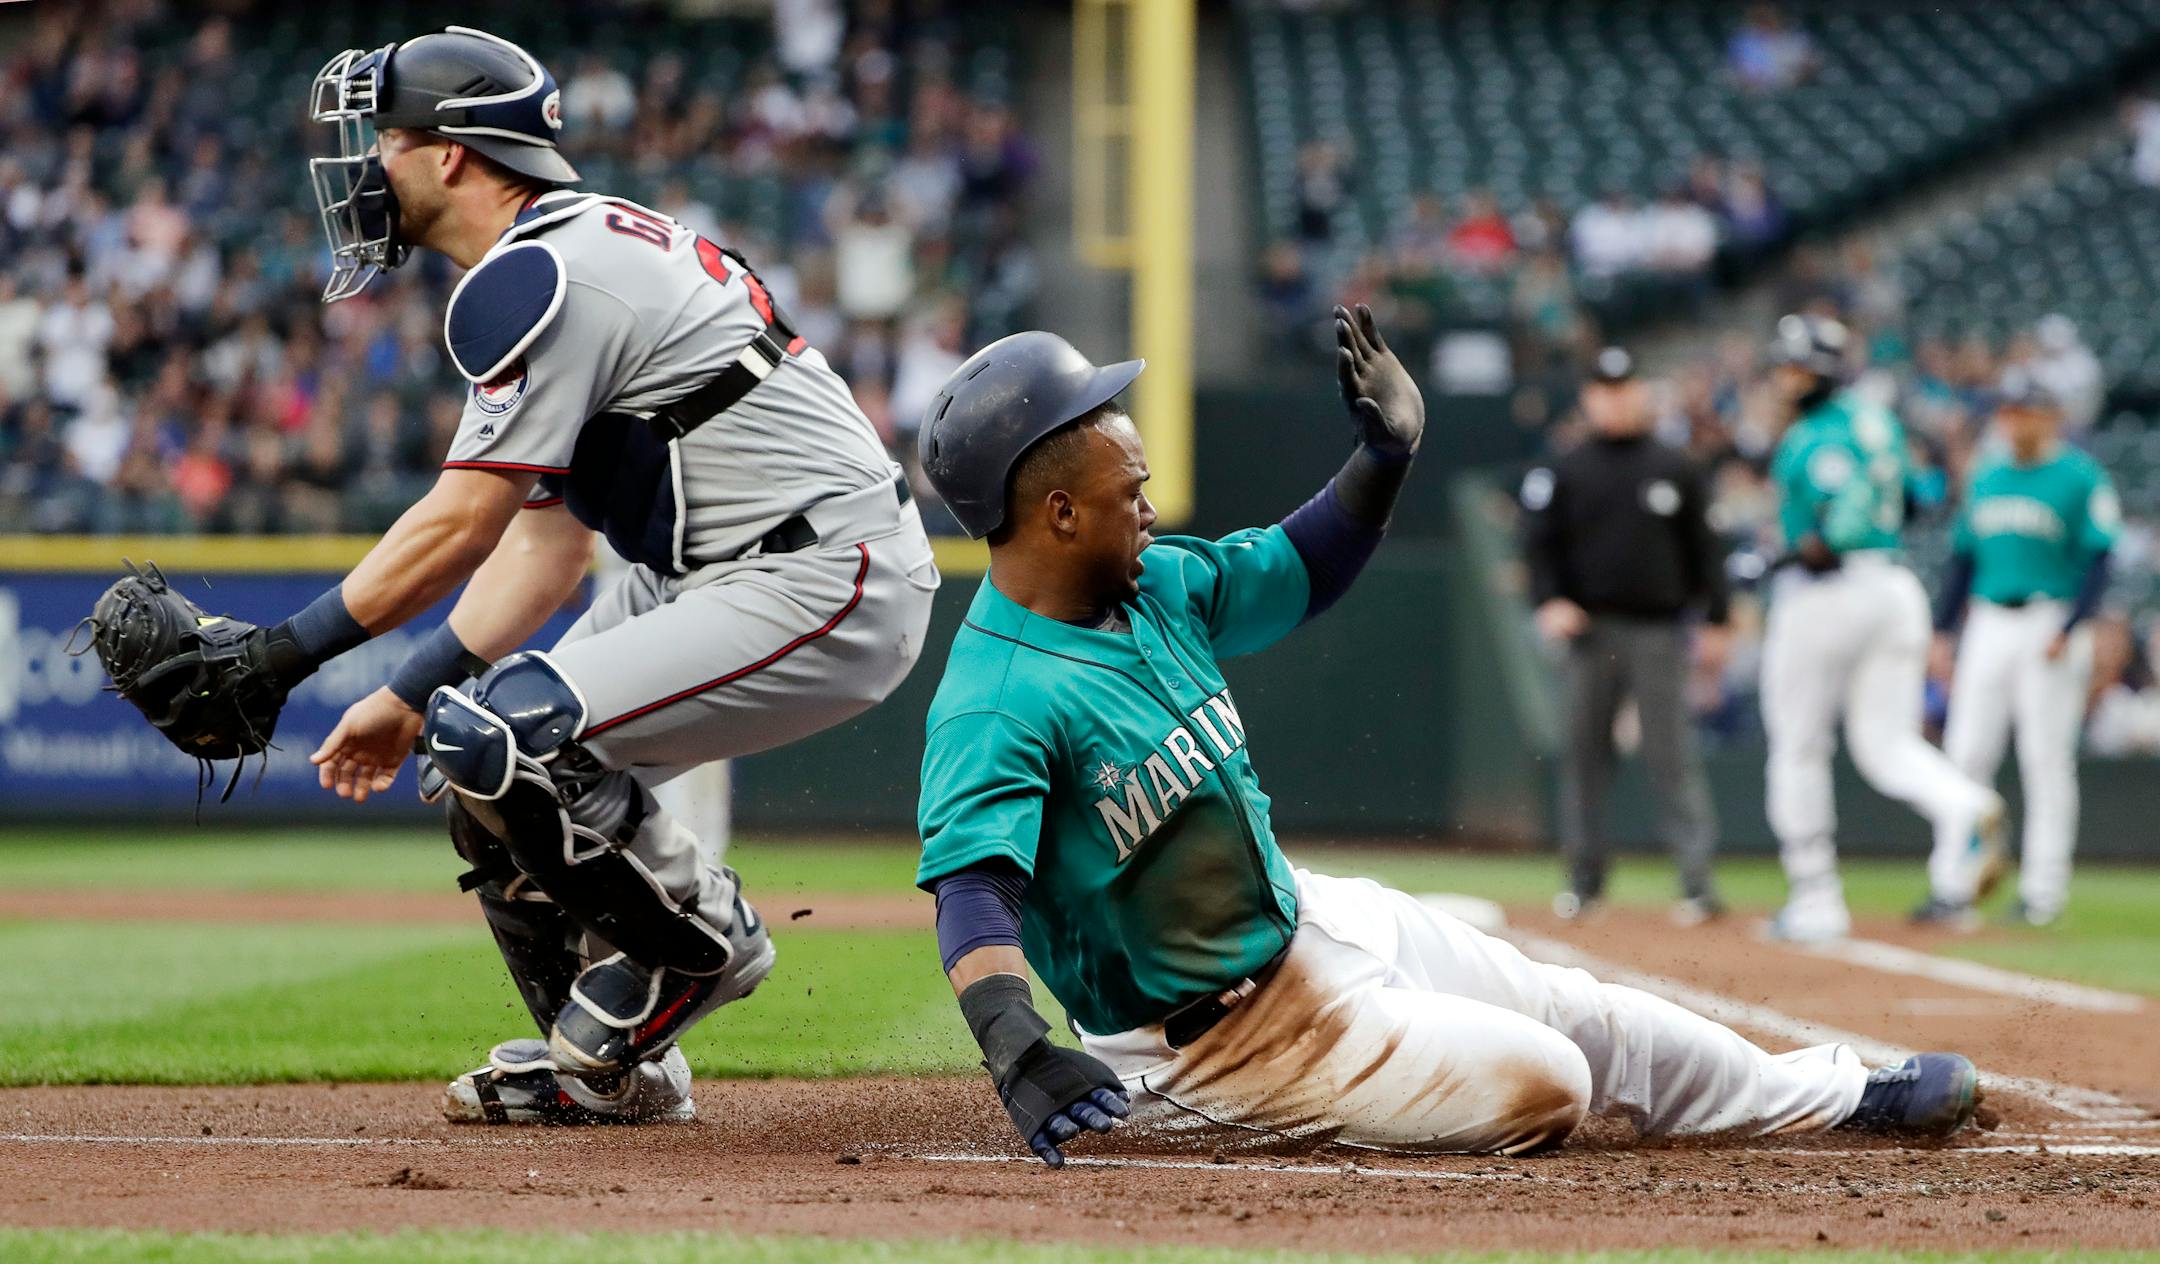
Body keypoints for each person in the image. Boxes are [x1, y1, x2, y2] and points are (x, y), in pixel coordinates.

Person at [907, 306, 1981, 1165]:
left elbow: (1296, 569)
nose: (1146, 504)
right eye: (1127, 486)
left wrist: (1383, 457)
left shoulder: (1157, 586)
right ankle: (1222, 1108)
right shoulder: (999, 694)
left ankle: (1842, 1093)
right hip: (1206, 1046)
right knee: (1549, 1078)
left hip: (1303, 913)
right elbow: (973, 891)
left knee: (1580, 1007)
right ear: (1054, 511)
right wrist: (1017, 1050)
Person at [273, 27, 936, 1124]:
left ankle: (701, 941)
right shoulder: (554, 258)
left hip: (823, 567)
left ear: (451, 155)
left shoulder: (542, 269)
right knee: (466, 756)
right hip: (710, 570)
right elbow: (543, 548)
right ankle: (615, 1073)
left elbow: (460, 522)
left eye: (387, 137)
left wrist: (279, 656)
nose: (367, 164)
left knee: (514, 736)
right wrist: (398, 698)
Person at [1759, 315, 2006, 943]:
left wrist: (1808, 546)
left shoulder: (1816, 434)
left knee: (1798, 744)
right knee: (1887, 745)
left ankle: (1815, 897)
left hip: (1828, 593)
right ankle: (1967, 809)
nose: (1790, 376)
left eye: (1800, 365)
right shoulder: (1880, 420)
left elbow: (1839, 513)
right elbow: (1922, 495)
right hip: (1894, 589)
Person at [1521, 347, 1730, 925]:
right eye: (1604, 388)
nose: (1615, 398)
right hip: (1592, 630)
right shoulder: (1566, 467)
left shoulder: (1674, 465)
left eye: (1624, 386)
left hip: (1660, 629)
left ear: (1640, 392)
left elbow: (1706, 550)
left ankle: (1697, 882)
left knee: (1672, 754)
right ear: (1589, 397)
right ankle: (1583, 881)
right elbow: (1539, 545)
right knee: (1586, 755)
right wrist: (1550, 600)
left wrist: (1716, 618)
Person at [1926, 371, 2118, 928]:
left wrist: (2075, 623)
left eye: (2021, 410)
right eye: (2005, 410)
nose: (2010, 419)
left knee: (2045, 761)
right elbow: (1962, 560)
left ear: (2049, 415)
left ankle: (2042, 893)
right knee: (1964, 754)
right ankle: (1953, 884)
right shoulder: (1987, 475)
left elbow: (2100, 557)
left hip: (2049, 618)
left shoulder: (2078, 476)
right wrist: (1942, 631)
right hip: (1988, 620)